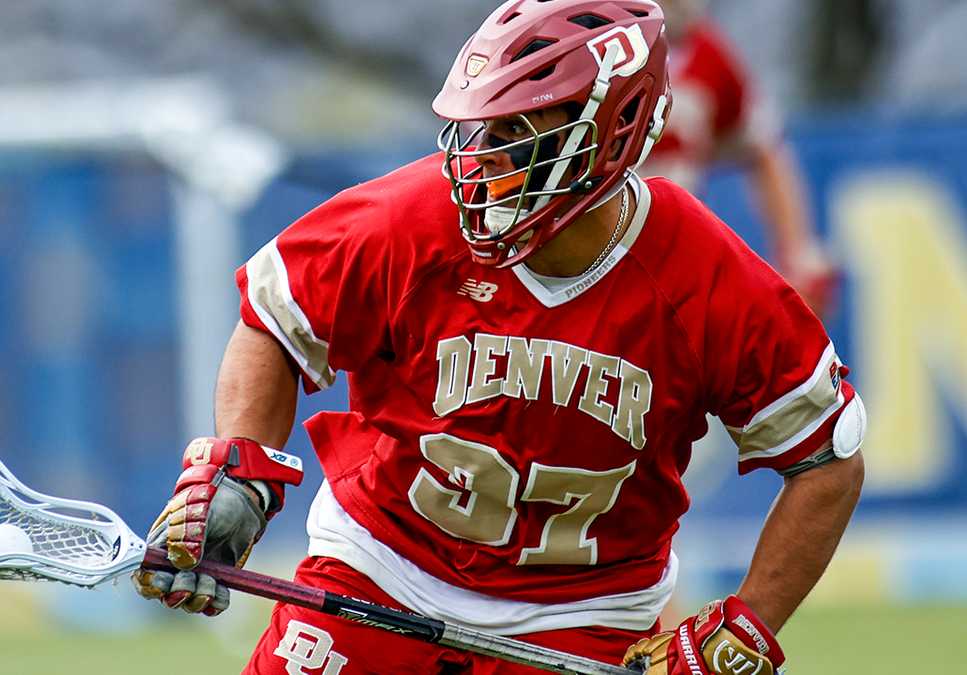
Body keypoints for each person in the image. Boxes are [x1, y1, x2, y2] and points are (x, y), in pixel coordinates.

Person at [132, 1, 866, 673]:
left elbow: (829, 457)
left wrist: (746, 626)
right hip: (382, 569)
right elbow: (277, 318)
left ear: (606, 132)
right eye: (482, 125)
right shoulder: (415, 217)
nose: (480, 158)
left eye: (517, 131)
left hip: (585, 614)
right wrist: (244, 472)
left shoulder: (703, 276)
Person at [641, 0, 837, 316]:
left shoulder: (707, 53)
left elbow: (764, 147)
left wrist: (796, 253)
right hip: (590, 253)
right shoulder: (589, 41)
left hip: (670, 269)